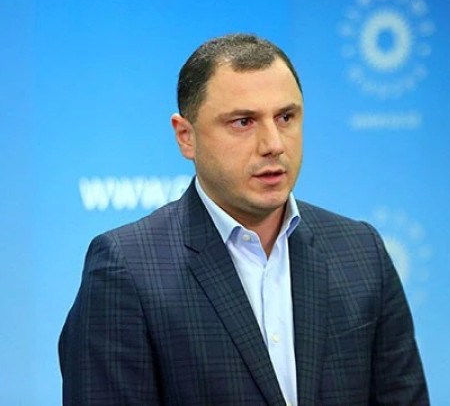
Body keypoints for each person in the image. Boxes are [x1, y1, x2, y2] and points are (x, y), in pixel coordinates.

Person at [59, 33, 429, 405]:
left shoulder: (361, 252)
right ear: (186, 137)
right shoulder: (128, 268)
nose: (273, 144)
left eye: (286, 117)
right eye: (243, 122)